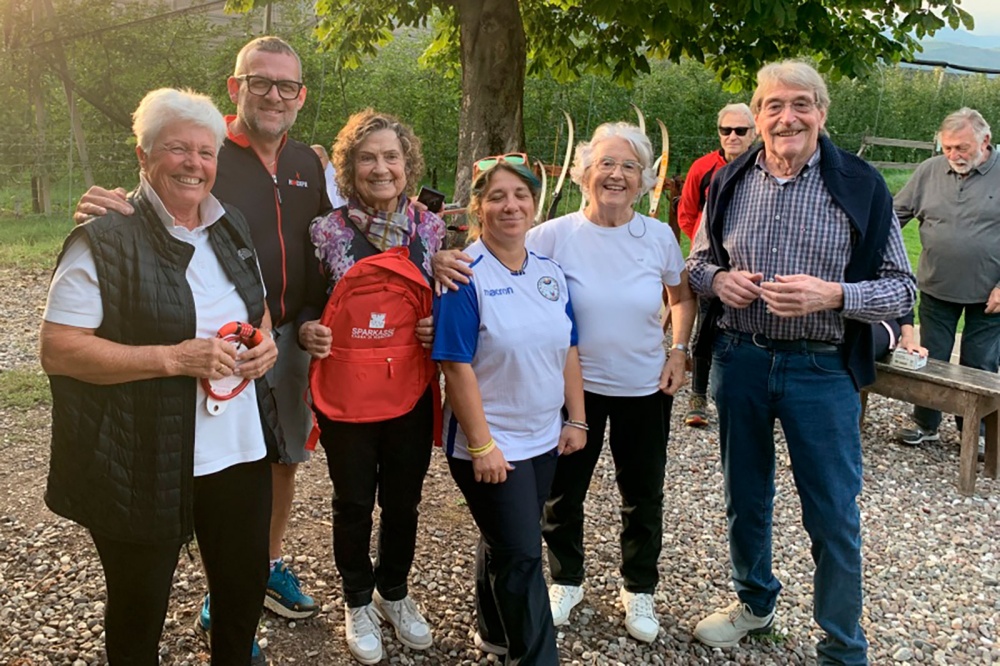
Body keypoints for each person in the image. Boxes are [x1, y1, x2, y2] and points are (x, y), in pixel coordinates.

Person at [73, 37, 328, 638]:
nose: (273, 95)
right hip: (199, 338)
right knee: (191, 461)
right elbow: (159, 191)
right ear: (235, 88)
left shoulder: (308, 164)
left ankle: (257, 568)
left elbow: (324, 240)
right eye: (259, 82)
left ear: (300, 96)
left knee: (279, 455)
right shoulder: (209, 147)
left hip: (285, 334)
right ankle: (218, 587)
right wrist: (102, 210)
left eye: (286, 86)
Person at [686, 60, 915, 665]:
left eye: (801, 104)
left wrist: (835, 294)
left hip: (822, 368)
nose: (786, 118)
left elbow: (902, 288)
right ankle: (755, 603)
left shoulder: (861, 184)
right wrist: (720, 280)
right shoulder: (729, 181)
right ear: (756, 115)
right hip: (741, 361)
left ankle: (842, 646)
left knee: (833, 512)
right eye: (773, 106)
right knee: (745, 497)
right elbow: (697, 264)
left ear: (821, 111)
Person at [41, 88, 279, 666]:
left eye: (206, 151)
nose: (194, 164)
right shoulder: (105, 237)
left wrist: (266, 345)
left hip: (238, 451)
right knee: (138, 607)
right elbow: (59, 350)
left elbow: (257, 311)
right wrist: (173, 358)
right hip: (142, 454)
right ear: (144, 157)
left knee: (243, 591)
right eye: (177, 148)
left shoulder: (231, 225)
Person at [435, 123, 696, 643]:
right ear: (583, 174)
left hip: (643, 385)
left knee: (642, 492)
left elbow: (681, 297)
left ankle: (639, 587)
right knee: (561, 494)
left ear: (644, 179)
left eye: (628, 166)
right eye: (605, 163)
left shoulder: (659, 236)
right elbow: (495, 254)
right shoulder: (554, 232)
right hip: (574, 391)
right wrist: (440, 259)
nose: (616, 175)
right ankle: (566, 579)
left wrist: (680, 350)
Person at [299, 109, 443, 665]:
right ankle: (357, 598)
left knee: (404, 501)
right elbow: (312, 299)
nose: (380, 168)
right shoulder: (327, 230)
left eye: (391, 157)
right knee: (354, 500)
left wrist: (441, 321)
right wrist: (310, 328)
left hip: (409, 385)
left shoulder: (430, 227)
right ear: (349, 168)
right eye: (367, 157)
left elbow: (443, 293)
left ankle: (394, 592)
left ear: (407, 165)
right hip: (345, 390)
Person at [432, 155, 587, 664]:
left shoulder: (550, 272)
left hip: (544, 435)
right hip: (490, 442)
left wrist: (576, 417)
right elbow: (456, 367)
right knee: (522, 555)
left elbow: (568, 346)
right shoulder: (463, 274)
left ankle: (495, 630)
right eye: (496, 196)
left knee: (505, 538)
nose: (510, 205)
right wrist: (482, 445)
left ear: (535, 205)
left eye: (520, 195)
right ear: (478, 207)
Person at [892, 108, 1000, 449]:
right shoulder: (929, 172)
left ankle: (977, 434)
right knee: (931, 355)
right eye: (948, 147)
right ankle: (926, 423)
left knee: (980, 362)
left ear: (985, 141)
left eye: (961, 148)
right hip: (937, 285)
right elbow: (893, 217)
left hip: (990, 294)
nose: (953, 155)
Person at [677, 103, 757, 428]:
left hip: (749, 265)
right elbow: (687, 212)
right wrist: (705, 246)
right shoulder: (704, 168)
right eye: (727, 130)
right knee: (705, 327)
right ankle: (698, 396)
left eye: (741, 130)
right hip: (711, 261)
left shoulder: (762, 168)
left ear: (754, 134)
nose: (733, 136)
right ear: (719, 133)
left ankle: (745, 398)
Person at [312, 143, 349, 209]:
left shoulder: (339, 175)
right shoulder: (311, 176)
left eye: (320, 158)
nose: (317, 161)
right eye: (313, 158)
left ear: (327, 157)